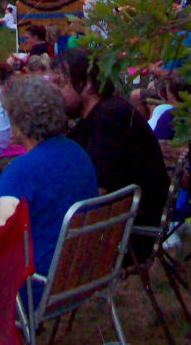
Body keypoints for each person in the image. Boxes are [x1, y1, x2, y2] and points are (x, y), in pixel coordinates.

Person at [51, 51, 168, 250]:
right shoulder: (104, 114)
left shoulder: (107, 121)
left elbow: (94, 193)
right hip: (125, 224)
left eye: (60, 84)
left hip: (125, 235)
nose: (54, 93)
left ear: (87, 84)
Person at [0, 76, 97, 279]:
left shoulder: (22, 171)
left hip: (35, 284)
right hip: (77, 277)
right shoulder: (77, 152)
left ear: (20, 122)